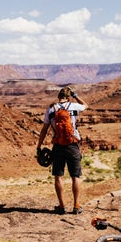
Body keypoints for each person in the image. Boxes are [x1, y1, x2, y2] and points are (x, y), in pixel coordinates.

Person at [36, 86, 88, 215]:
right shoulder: (74, 106)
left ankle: (62, 206)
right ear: (68, 97)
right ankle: (76, 206)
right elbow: (85, 105)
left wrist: (39, 146)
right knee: (75, 176)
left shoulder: (51, 109)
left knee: (58, 176)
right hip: (73, 144)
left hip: (58, 145)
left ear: (58, 97)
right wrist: (75, 95)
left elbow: (44, 129)